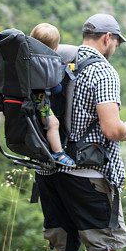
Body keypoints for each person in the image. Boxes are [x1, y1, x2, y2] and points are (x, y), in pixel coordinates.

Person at [34, 13, 126, 251]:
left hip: (50, 169)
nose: (114, 47)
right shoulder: (104, 72)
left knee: (67, 245)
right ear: (108, 38)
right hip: (87, 174)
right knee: (107, 243)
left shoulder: (56, 58)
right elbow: (111, 129)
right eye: (116, 41)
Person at [29, 23, 75, 167]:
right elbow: (55, 88)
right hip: (40, 100)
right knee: (53, 124)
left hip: (25, 99)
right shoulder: (45, 64)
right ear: (55, 49)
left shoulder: (26, 58)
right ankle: (58, 153)